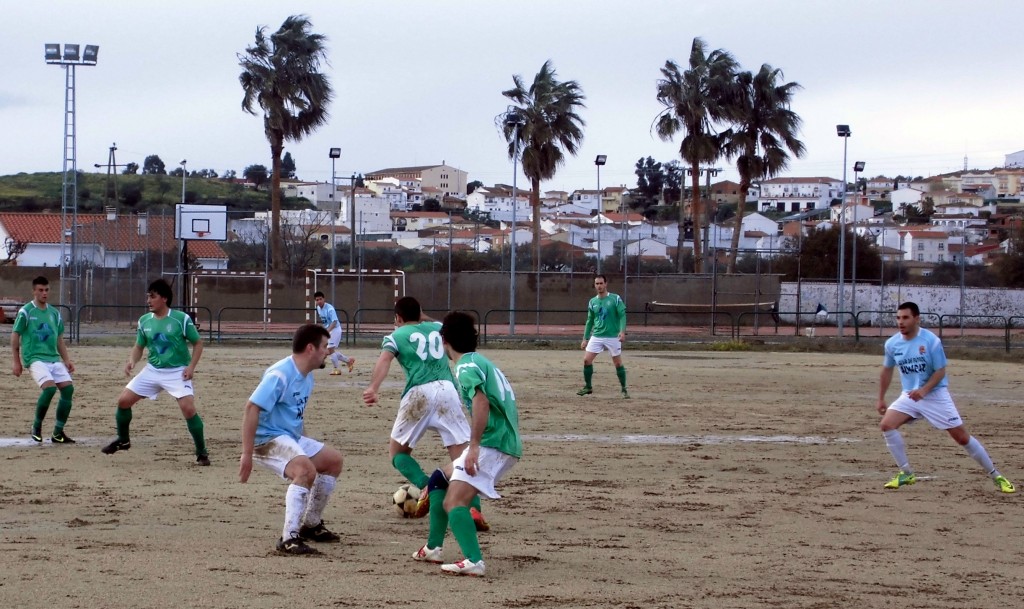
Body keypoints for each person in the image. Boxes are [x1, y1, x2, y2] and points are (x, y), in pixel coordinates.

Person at [362, 297, 488, 530]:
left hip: (418, 395)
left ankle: (427, 486)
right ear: (420, 314)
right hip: (448, 391)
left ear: (398, 318)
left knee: (398, 454)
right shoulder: (439, 328)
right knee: (461, 459)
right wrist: (423, 317)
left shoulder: (396, 336)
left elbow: (385, 360)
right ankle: (474, 510)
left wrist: (373, 387)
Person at [411, 311, 521, 577]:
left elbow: (481, 402)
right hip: (502, 441)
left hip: (493, 444)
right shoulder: (479, 361)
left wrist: (473, 447)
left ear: (444, 339)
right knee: (438, 479)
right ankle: (433, 548)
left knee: (454, 502)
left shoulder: (465, 367)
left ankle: (474, 561)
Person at [876, 301, 1015, 493]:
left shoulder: (931, 341)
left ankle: (996, 475)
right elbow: (887, 370)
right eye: (898, 318)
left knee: (962, 438)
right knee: (887, 425)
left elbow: (940, 371)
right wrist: (881, 398)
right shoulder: (892, 344)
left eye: (905, 317)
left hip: (935, 395)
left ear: (917, 319)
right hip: (909, 395)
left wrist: (924, 391)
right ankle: (906, 473)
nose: (901, 322)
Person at [239, 324, 345, 555]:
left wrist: (302, 444)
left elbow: (295, 415)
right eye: (325, 346)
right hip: (266, 440)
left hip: (288, 437)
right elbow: (251, 408)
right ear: (310, 348)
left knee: (333, 461)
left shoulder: (306, 376)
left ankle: (311, 525)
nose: (328, 351)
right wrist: (247, 454)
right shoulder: (280, 374)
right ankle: (289, 538)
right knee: (305, 471)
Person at [100, 279, 210, 465]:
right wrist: (132, 362)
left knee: (188, 409)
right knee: (123, 401)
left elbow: (198, 343)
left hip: (177, 372)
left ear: (164, 298)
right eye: (148, 296)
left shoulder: (181, 319)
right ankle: (123, 440)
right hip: (152, 370)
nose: (148, 300)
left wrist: (191, 367)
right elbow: (139, 346)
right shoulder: (144, 321)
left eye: (153, 296)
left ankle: (202, 453)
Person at [11, 276, 76, 444]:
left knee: (68, 390)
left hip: (53, 359)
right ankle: (36, 427)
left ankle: (58, 433)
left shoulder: (54, 313)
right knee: (49, 389)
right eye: (40, 290)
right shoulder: (26, 311)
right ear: (34, 291)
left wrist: (66, 359)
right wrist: (16, 361)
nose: (44, 293)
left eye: (46, 290)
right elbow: (15, 334)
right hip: (35, 358)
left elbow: (59, 339)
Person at [577, 274, 629, 399]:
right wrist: (585, 338)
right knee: (586, 360)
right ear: (594, 285)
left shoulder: (615, 298)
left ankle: (624, 389)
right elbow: (589, 321)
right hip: (597, 336)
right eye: (597, 284)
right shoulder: (592, 302)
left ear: (606, 284)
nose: (599, 286)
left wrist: (622, 331)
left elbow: (622, 315)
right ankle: (588, 387)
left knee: (617, 364)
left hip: (612, 336)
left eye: (601, 283)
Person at [314, 291, 355, 375]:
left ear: (324, 299)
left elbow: (334, 322)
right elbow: (325, 322)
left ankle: (336, 369)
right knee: (329, 351)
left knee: (329, 350)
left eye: (320, 299)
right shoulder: (318, 308)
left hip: (335, 330)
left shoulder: (330, 308)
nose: (319, 301)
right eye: (317, 300)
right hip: (328, 330)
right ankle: (349, 361)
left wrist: (327, 331)